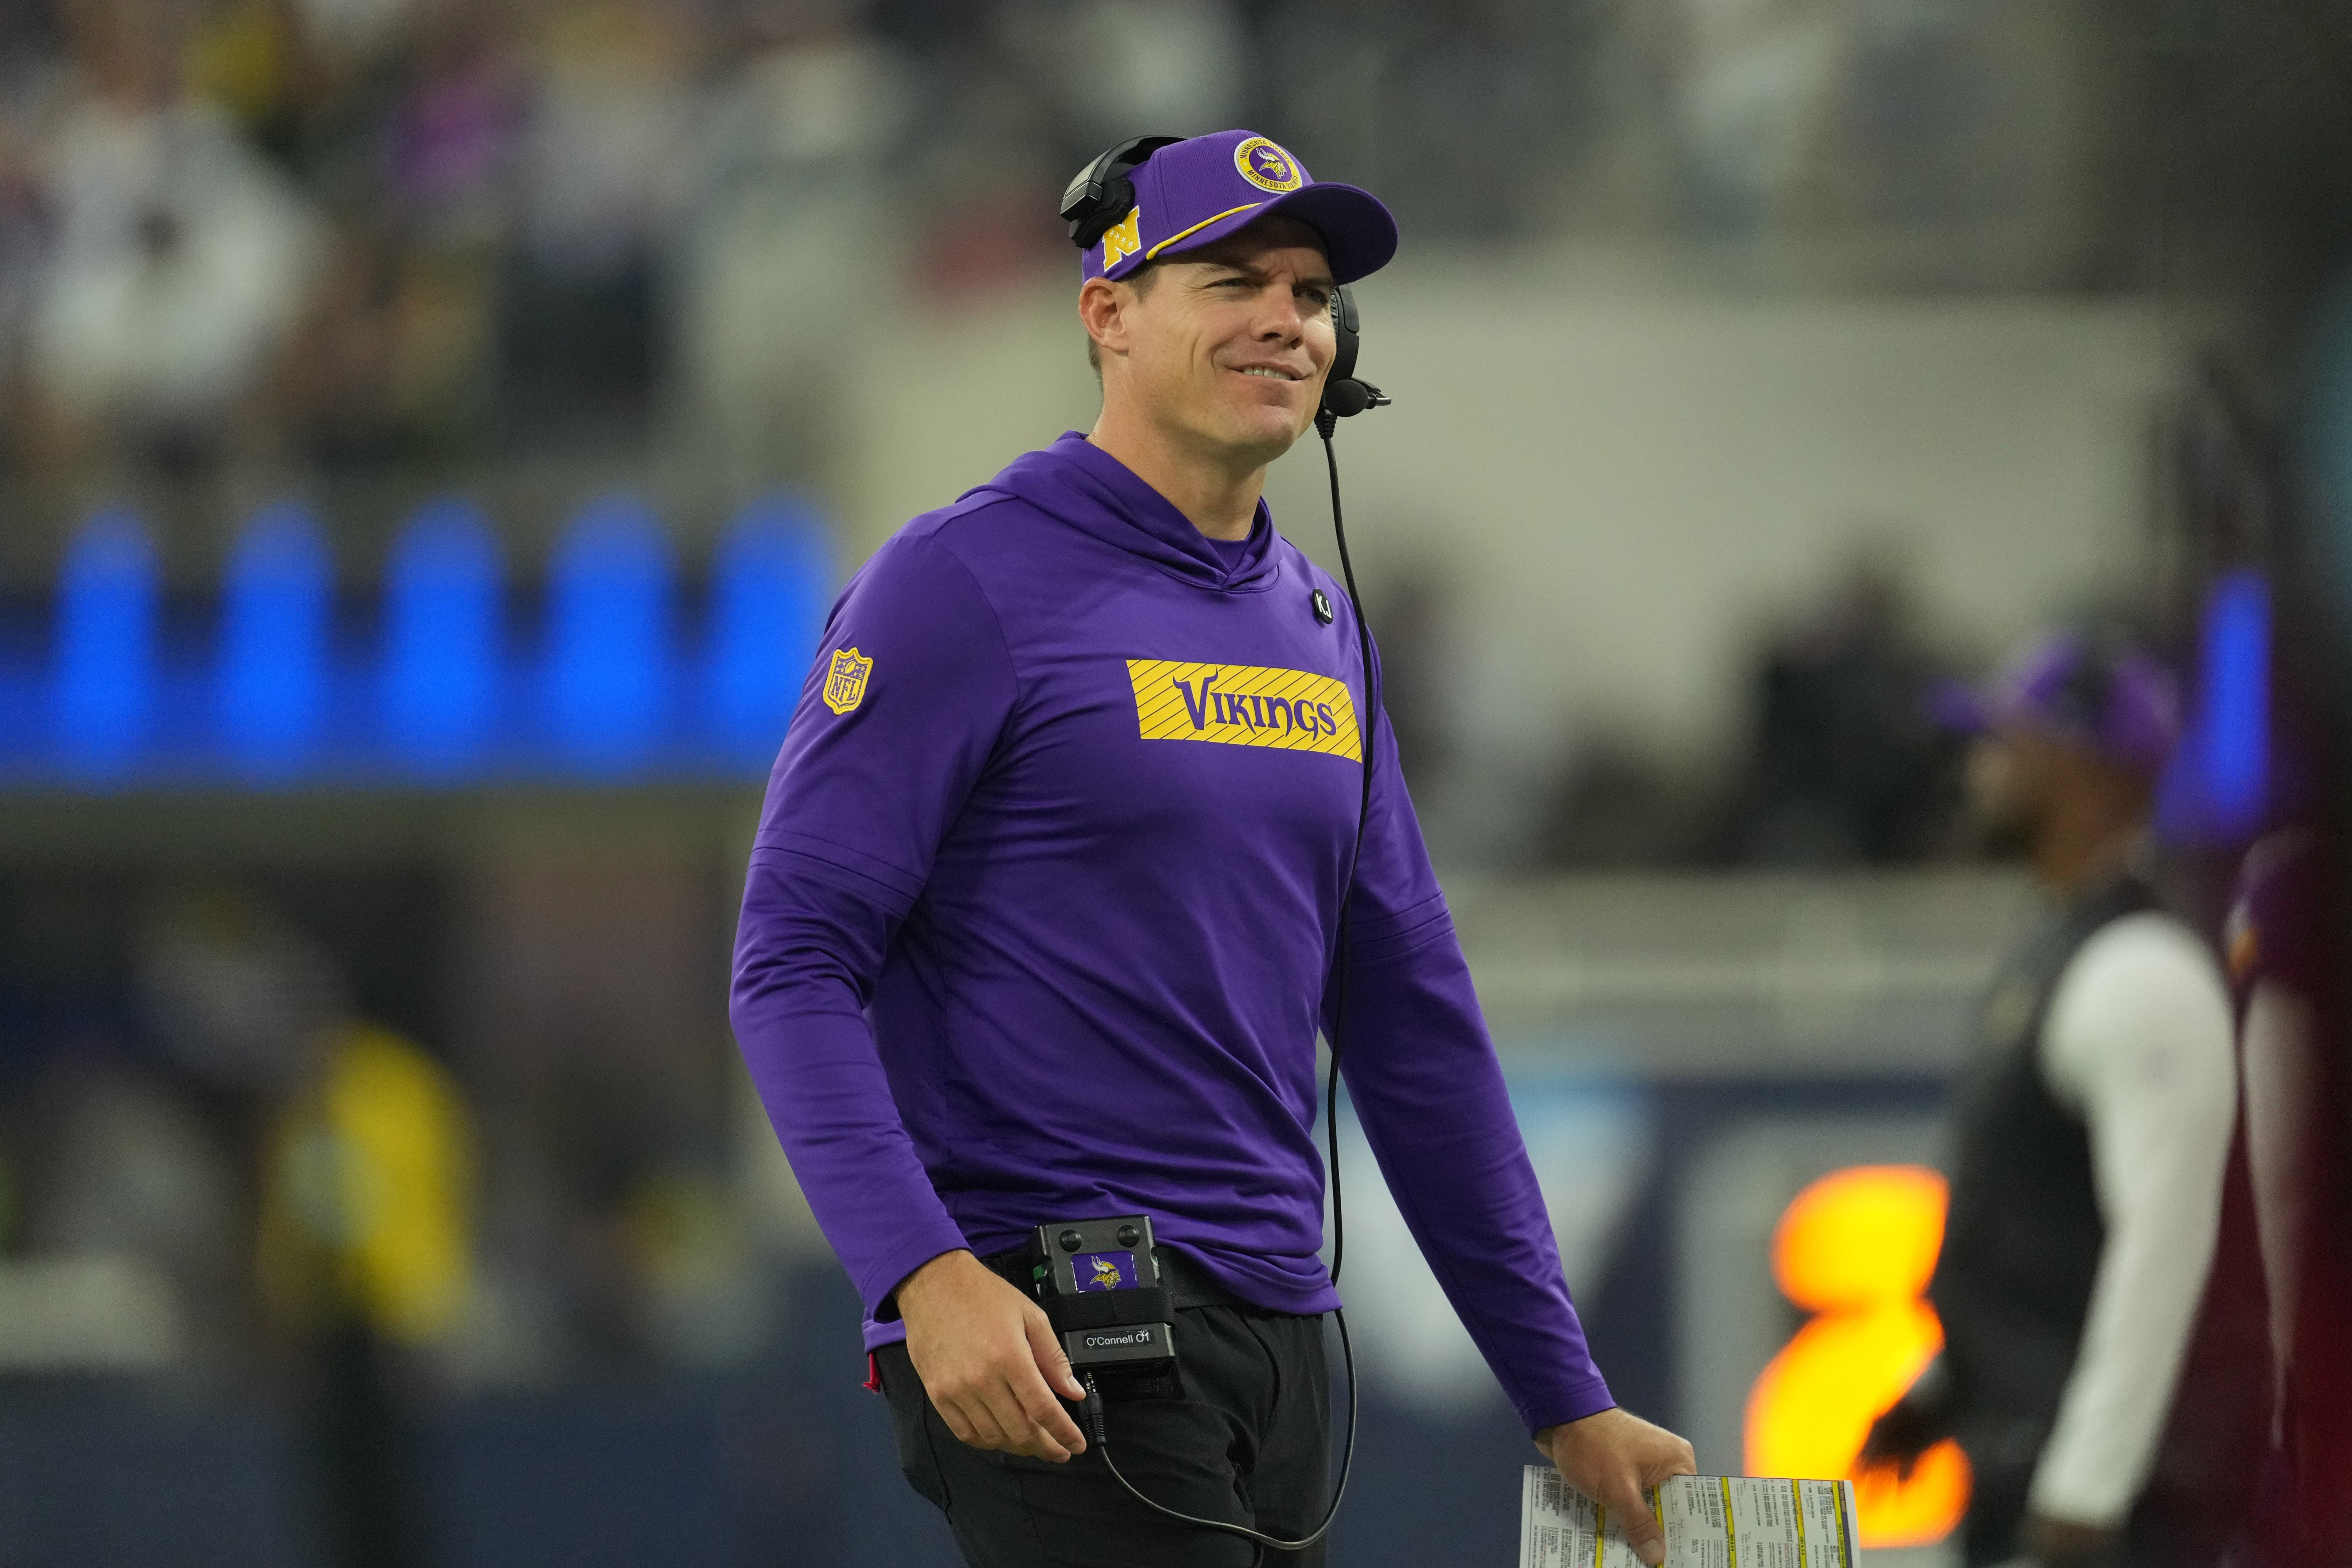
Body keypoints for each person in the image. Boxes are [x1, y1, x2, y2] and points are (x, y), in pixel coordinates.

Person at [728, 129, 1693, 1567]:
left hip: (1288, 1339)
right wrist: (924, 1275)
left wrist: (1566, 1393)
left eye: (1310, 295)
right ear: (1107, 311)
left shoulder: (1319, 624)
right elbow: (791, 962)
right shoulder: (958, 580)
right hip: (1056, 1325)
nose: (1284, 320)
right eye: (1232, 278)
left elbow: (1413, 1021)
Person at [1864, 631, 2239, 1567]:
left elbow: (2165, 1252)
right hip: (2025, 1475)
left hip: (2124, 1515)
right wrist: (1942, 1387)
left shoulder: (2140, 971)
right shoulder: (2053, 952)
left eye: (2005, 743)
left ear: (2083, 767)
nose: (1980, 769)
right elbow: (2032, 1228)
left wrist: (2086, 1501)